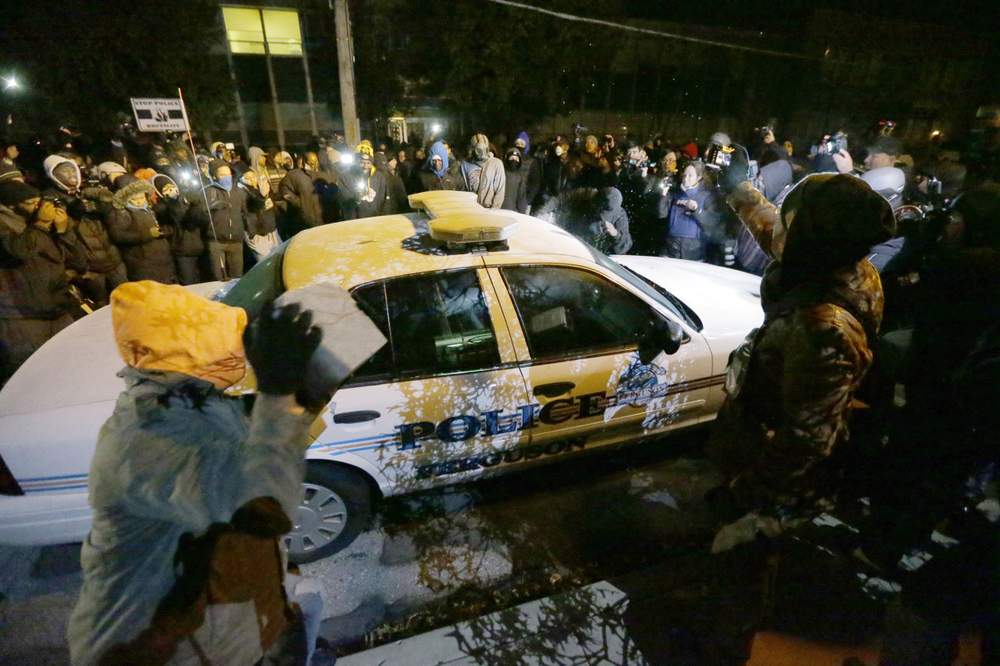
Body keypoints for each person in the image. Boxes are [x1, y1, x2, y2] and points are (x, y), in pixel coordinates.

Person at [67, 282, 333, 665]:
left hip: (223, 624)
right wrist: (282, 393)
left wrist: (303, 395)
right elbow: (263, 503)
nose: (239, 353)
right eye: (226, 346)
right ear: (188, 357)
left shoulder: (183, 406)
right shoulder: (149, 439)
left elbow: (251, 447)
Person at [0, 182, 85, 383]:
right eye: (30, 203)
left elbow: (80, 263)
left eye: (39, 202)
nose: (38, 208)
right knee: (35, 379)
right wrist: (39, 225)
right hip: (22, 318)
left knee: (75, 368)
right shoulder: (6, 226)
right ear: (11, 206)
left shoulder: (41, 227)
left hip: (57, 309)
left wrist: (64, 232)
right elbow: (18, 251)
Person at [43, 155, 126, 306]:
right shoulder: (51, 198)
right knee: (103, 309)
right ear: (53, 176)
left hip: (114, 260)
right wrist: (72, 214)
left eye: (72, 170)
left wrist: (102, 207)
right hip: (91, 268)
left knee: (128, 301)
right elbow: (59, 232)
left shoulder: (88, 189)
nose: (71, 176)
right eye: (64, 173)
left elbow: (115, 211)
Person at [106, 176, 176, 284]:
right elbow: (118, 235)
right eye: (134, 199)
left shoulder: (150, 208)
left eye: (141, 198)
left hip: (163, 261)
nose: (139, 202)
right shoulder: (121, 213)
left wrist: (165, 231)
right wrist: (148, 234)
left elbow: (163, 225)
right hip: (143, 264)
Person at [194, 160, 247, 280]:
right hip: (216, 242)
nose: (226, 177)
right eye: (222, 175)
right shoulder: (208, 191)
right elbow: (198, 216)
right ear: (214, 176)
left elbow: (245, 212)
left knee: (237, 277)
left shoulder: (238, 191)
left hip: (236, 241)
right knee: (219, 277)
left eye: (228, 174)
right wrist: (205, 208)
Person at [151, 174, 202, 285]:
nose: (171, 190)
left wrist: (197, 205)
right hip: (181, 250)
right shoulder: (161, 208)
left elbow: (198, 221)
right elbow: (178, 218)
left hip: (197, 247)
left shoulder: (185, 201)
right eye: (166, 189)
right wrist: (170, 202)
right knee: (189, 282)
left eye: (172, 186)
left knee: (199, 281)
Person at [663, 162, 718, 261]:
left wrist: (696, 210)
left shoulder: (707, 196)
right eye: (684, 175)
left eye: (690, 176)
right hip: (671, 244)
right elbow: (661, 214)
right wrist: (663, 196)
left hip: (693, 247)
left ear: (699, 177)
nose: (685, 178)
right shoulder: (675, 192)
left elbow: (711, 222)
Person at [237, 166, 279, 264]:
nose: (252, 180)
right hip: (257, 233)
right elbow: (252, 207)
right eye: (248, 178)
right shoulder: (242, 191)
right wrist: (262, 196)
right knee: (265, 263)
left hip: (270, 230)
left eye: (253, 176)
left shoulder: (260, 187)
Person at [338, 141, 388, 220]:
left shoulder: (379, 177)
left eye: (368, 163)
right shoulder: (345, 177)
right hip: (355, 221)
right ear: (355, 162)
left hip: (374, 219)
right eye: (362, 162)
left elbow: (382, 199)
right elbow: (343, 201)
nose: (365, 166)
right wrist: (355, 198)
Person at [278, 153, 326, 233]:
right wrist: (298, 203)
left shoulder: (320, 174)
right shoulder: (294, 175)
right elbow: (284, 190)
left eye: (316, 162)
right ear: (305, 162)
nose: (315, 165)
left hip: (322, 217)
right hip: (305, 219)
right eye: (312, 162)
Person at [461, 134, 505, 208]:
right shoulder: (465, 165)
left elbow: (500, 191)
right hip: (471, 208)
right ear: (472, 149)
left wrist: (494, 210)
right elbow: (465, 187)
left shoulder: (496, 164)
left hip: (489, 209)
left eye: (484, 149)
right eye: (478, 150)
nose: (482, 153)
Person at [513, 131, 542, 210]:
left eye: (522, 144)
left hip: (524, 201)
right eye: (517, 143)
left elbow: (535, 183)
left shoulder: (532, 162)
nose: (519, 146)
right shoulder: (510, 158)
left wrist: (527, 200)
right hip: (510, 200)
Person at [500, 147, 529, 214]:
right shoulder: (500, 172)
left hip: (512, 212)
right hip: (498, 210)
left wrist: (522, 214)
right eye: (512, 158)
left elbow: (521, 198)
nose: (514, 160)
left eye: (516, 159)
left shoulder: (520, 178)